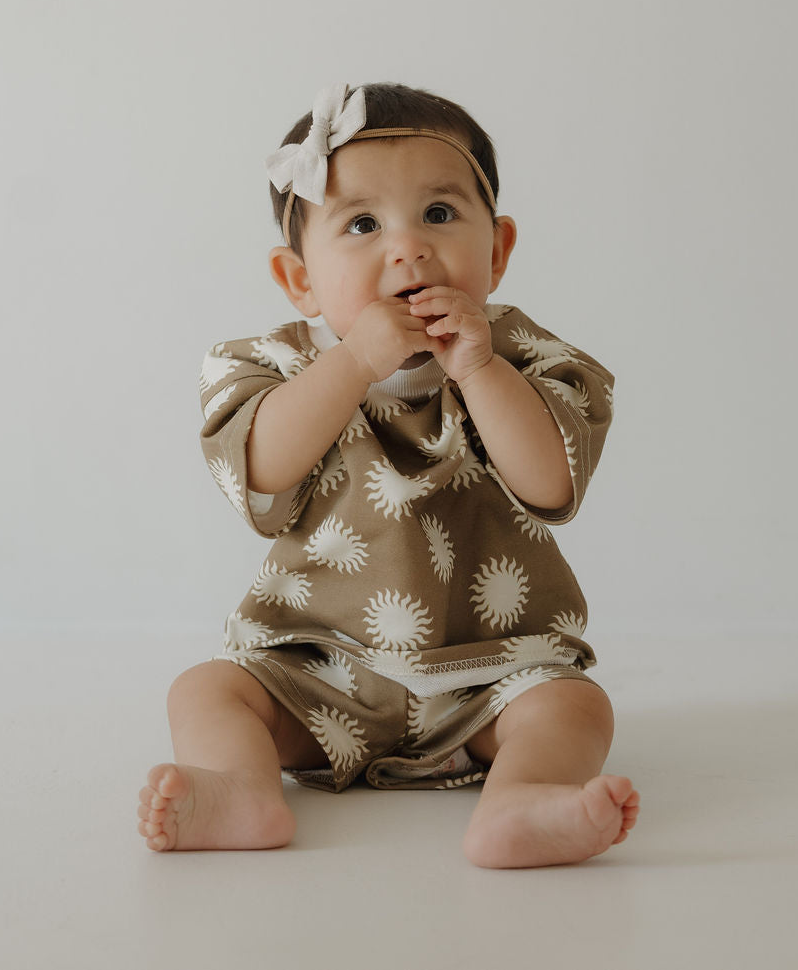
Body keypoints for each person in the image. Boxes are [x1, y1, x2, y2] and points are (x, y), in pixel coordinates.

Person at [138, 82, 639, 868]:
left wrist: (477, 367)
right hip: (319, 674)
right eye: (363, 223)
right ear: (299, 276)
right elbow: (262, 473)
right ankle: (240, 788)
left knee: (575, 706)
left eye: (439, 214)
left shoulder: (526, 360)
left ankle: (521, 800)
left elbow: (552, 484)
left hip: (490, 678)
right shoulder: (277, 366)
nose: (407, 248)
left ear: (498, 250)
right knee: (206, 689)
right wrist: (353, 362)